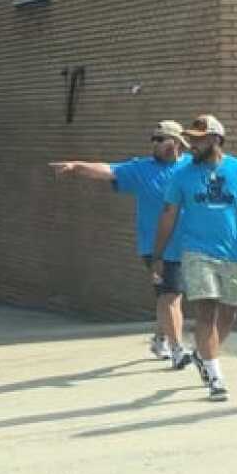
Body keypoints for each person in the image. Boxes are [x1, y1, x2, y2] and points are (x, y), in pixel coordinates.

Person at [50, 120, 193, 368]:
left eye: (161, 139)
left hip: (189, 243)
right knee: (170, 295)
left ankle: (160, 339)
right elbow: (107, 171)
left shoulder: (191, 167)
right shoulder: (140, 168)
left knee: (169, 297)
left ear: (176, 143)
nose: (155, 143)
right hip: (156, 247)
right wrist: (76, 166)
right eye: (154, 139)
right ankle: (178, 349)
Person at [151, 115, 237, 402]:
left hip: (232, 253)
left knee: (229, 314)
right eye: (190, 139)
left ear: (216, 139)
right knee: (206, 311)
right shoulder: (182, 176)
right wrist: (157, 255)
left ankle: (204, 354)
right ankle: (216, 378)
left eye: (198, 139)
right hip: (196, 252)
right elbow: (168, 214)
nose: (192, 144)